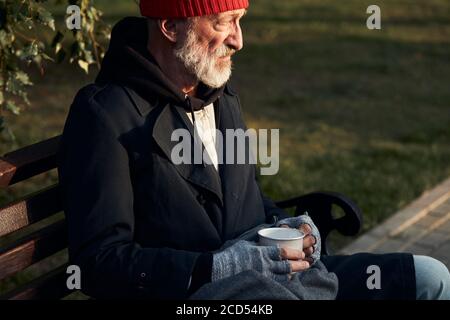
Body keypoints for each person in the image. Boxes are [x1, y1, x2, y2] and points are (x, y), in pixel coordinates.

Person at [58, 0, 450, 300]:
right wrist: (212, 268)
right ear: (171, 27)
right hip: (194, 297)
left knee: (433, 277)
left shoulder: (220, 94)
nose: (238, 40)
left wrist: (290, 226)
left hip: (272, 283)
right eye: (224, 21)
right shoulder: (105, 115)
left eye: (240, 21)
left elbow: (250, 202)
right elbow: (97, 262)